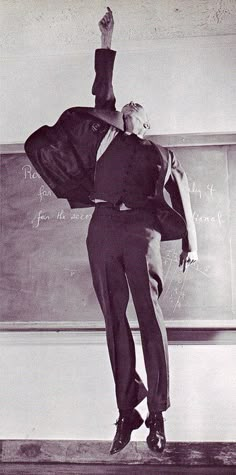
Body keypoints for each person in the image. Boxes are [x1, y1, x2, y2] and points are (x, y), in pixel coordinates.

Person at [24, 7, 198, 455]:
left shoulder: (161, 154)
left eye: (135, 113)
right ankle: (128, 411)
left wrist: (192, 245)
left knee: (151, 320)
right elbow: (102, 89)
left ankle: (157, 416)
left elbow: (182, 194)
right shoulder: (104, 133)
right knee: (113, 322)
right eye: (124, 111)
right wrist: (105, 42)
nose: (127, 114)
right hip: (102, 227)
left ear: (147, 123)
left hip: (142, 231)